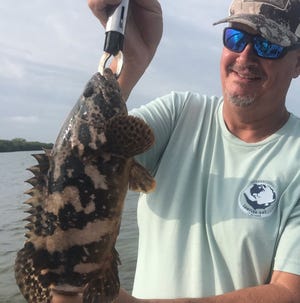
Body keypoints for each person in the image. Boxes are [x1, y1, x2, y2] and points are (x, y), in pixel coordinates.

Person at [54, 0, 300, 302]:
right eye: (236, 37)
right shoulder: (179, 112)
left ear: (298, 63)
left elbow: (289, 292)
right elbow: (81, 165)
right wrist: (131, 63)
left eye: (269, 45)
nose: (246, 55)